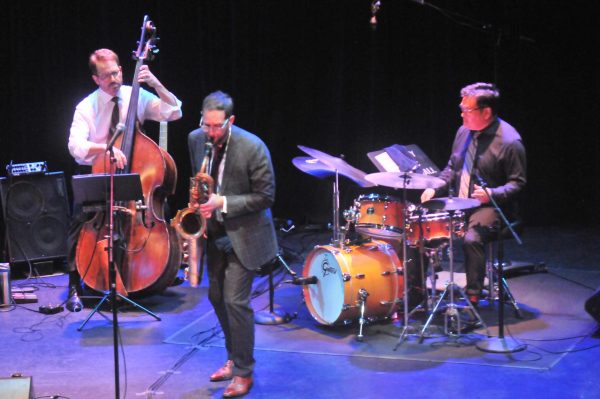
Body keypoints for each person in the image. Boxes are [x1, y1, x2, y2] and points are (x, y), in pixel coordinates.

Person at [66, 48, 182, 308]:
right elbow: (76, 148)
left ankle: (162, 268)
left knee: (160, 203)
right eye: (107, 76)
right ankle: (74, 284)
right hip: (99, 173)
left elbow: (173, 112)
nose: (114, 79)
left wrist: (155, 83)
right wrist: (105, 148)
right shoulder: (86, 107)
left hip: (133, 175)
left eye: (117, 72)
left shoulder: (134, 95)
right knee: (78, 222)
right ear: (96, 79)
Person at [188, 91, 278, 398]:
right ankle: (232, 356)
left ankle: (244, 371)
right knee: (216, 297)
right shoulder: (195, 139)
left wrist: (221, 202)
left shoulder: (253, 147)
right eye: (206, 125)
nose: (211, 133)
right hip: (215, 233)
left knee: (235, 301)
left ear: (231, 120)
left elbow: (266, 196)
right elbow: (200, 181)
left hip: (246, 234)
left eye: (217, 127)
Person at [420, 82, 526, 306]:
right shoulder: (463, 132)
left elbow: (518, 184)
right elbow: (452, 167)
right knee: (419, 226)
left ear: (486, 112)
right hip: (457, 203)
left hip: (492, 207)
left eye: (466, 110)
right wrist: (434, 186)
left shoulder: (509, 141)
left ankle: (473, 297)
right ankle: (415, 290)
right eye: (461, 108)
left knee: (472, 238)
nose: (461, 114)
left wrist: (492, 194)